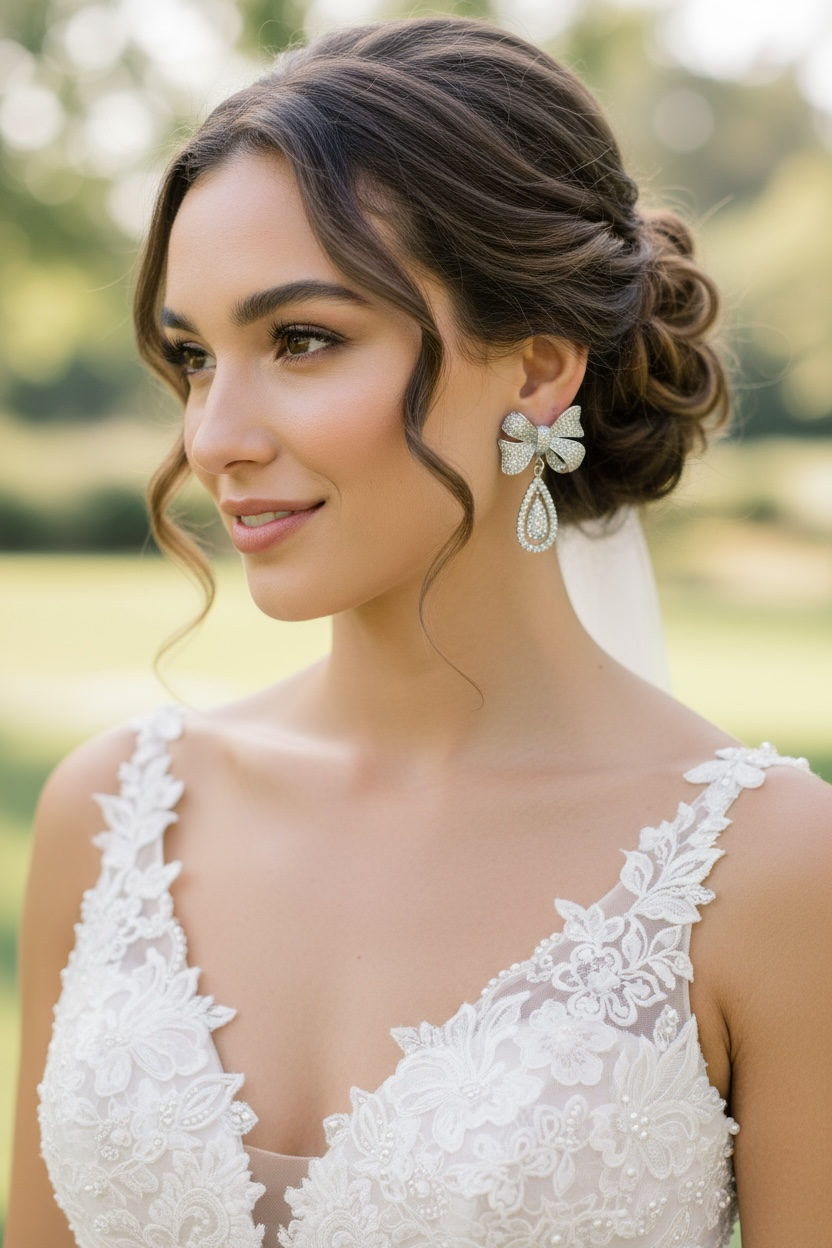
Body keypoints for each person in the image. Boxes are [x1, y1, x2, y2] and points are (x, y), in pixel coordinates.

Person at [6, 16, 831, 1248]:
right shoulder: (112, 816)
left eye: (301, 339)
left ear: (539, 369)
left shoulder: (773, 876)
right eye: (192, 356)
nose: (213, 435)